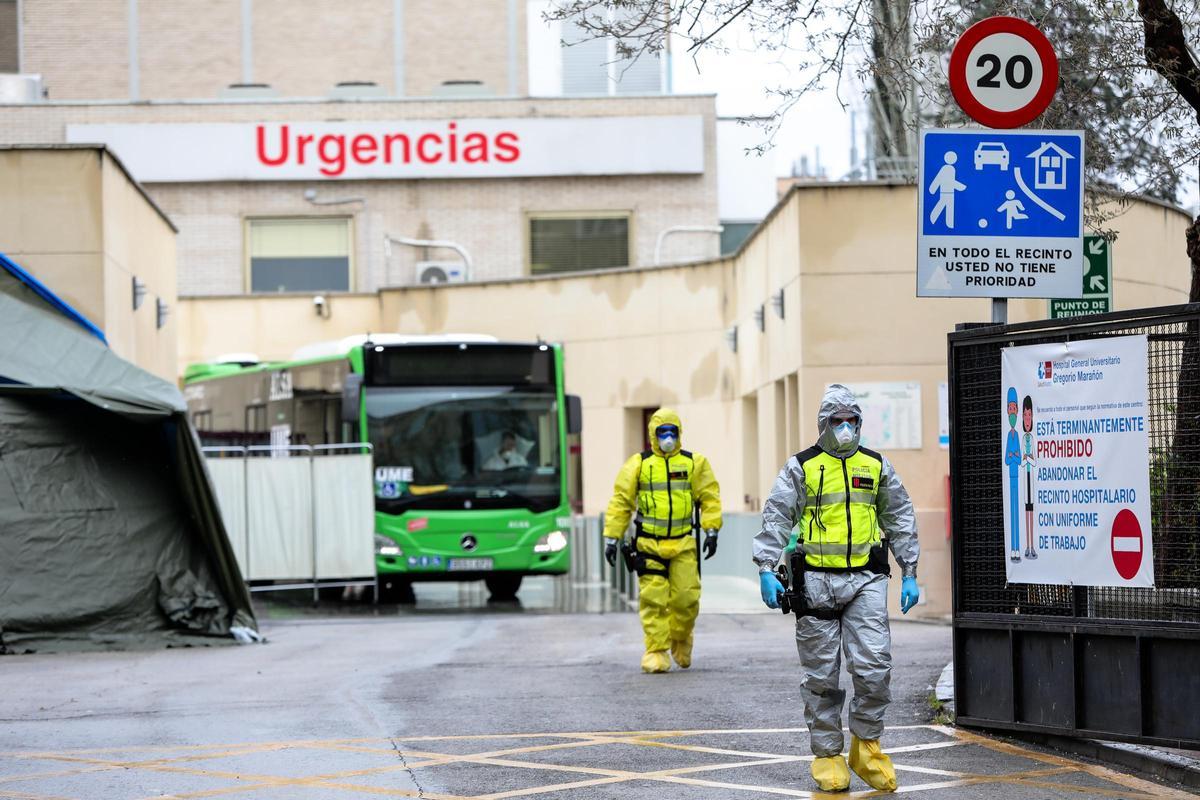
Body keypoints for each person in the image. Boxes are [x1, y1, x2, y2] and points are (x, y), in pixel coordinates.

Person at [753, 384, 920, 793]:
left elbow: (898, 514)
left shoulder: (875, 466)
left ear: (861, 423)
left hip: (866, 578)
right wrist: (765, 567)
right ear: (823, 424)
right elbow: (777, 515)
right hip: (816, 583)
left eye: (852, 421)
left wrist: (911, 569)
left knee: (875, 666)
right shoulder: (801, 467)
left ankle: (866, 745)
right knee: (822, 675)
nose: (845, 429)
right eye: (837, 422)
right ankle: (828, 755)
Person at [603, 408, 721, 673]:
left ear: (679, 434)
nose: (668, 437)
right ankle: (656, 651)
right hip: (649, 545)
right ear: (653, 435)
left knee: (686, 600)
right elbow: (621, 502)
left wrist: (711, 530)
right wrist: (612, 537)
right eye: (662, 432)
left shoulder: (694, 463)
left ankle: (680, 637)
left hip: (682, 544)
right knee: (653, 601)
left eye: (672, 432)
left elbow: (709, 497)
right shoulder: (639, 464)